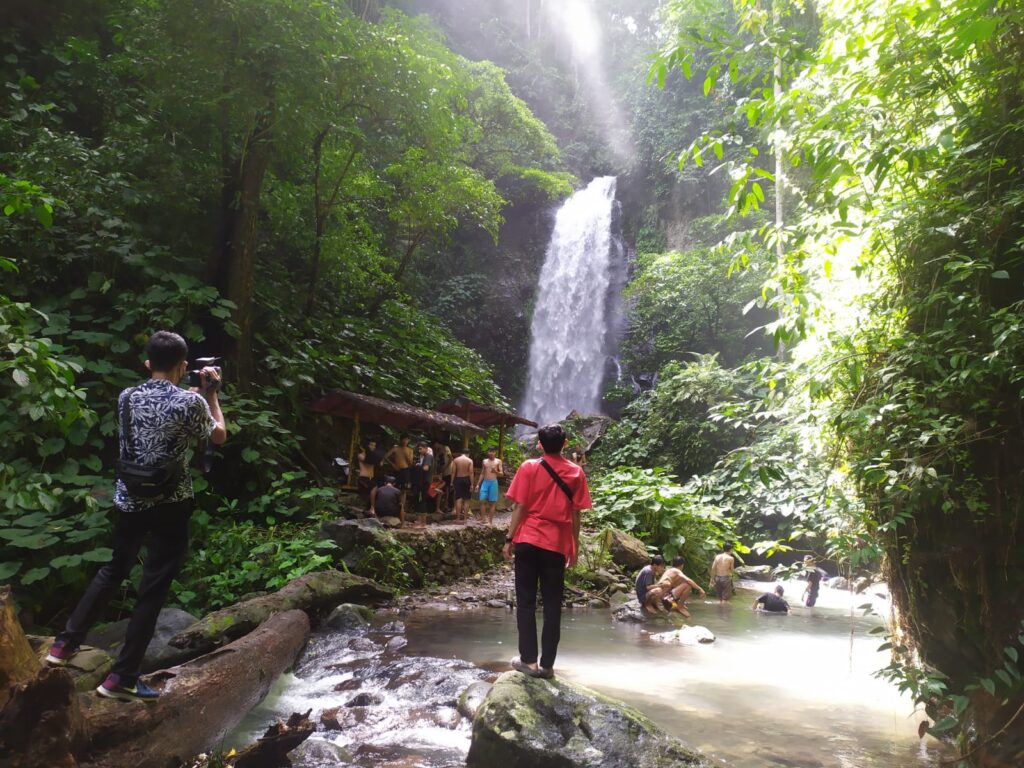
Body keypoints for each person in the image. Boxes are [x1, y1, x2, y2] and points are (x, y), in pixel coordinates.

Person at [45, 331, 227, 701]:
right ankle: (122, 678)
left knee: (114, 569)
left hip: (129, 497)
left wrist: (194, 396)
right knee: (153, 586)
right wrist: (212, 394)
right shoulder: (189, 404)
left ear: (147, 364)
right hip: (170, 503)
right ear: (182, 366)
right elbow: (218, 435)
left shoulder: (127, 396)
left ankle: (63, 646)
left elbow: (157, 416)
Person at [503, 424, 591, 679]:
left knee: (526, 602)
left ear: (539, 444)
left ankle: (528, 662)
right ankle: (547, 666)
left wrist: (509, 539)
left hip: (528, 540)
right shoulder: (576, 473)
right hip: (556, 545)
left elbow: (520, 506)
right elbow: (576, 515)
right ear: (565, 443)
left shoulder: (528, 467)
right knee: (553, 605)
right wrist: (573, 547)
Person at [385, 435, 413, 517]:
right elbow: (386, 456)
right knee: (396, 488)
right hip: (397, 470)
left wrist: (405, 454)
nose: (405, 441)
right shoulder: (396, 448)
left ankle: (402, 508)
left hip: (406, 470)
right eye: (403, 439)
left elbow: (410, 463)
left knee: (404, 490)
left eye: (406, 440)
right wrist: (392, 464)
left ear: (408, 441)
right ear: (401, 440)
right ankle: (394, 506)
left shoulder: (410, 450)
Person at [476, 446, 504, 525]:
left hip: (493, 483)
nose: (491, 453)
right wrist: (478, 484)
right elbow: (482, 473)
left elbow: (501, 474)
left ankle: (490, 522)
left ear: (495, 453)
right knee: (481, 500)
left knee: (492, 503)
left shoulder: (498, 461)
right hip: (485, 482)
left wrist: (495, 471)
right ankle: (483, 519)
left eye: (492, 451)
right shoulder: (484, 461)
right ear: (487, 452)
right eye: (489, 451)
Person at [411, 441, 433, 528]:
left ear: (426, 448)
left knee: (422, 500)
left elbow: (426, 468)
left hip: (424, 481)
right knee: (418, 500)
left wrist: (417, 466)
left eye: (420, 449)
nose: (419, 451)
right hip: (422, 481)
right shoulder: (424, 457)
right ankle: (420, 521)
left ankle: (423, 523)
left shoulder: (428, 456)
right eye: (418, 449)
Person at [357, 439, 383, 509]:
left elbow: (380, 464)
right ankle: (372, 508)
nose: (373, 447)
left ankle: (370, 510)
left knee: (375, 492)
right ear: (367, 446)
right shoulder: (361, 455)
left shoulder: (373, 456)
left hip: (371, 478)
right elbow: (369, 461)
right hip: (363, 478)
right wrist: (378, 459)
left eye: (374, 446)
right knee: (374, 487)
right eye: (371, 445)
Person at [451, 448, 474, 524]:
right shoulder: (470, 461)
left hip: (458, 479)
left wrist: (451, 482)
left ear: (461, 453)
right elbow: (471, 473)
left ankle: (457, 519)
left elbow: (453, 472)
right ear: (468, 454)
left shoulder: (456, 460)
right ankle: (465, 519)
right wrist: (472, 484)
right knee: (467, 500)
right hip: (467, 479)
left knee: (458, 499)